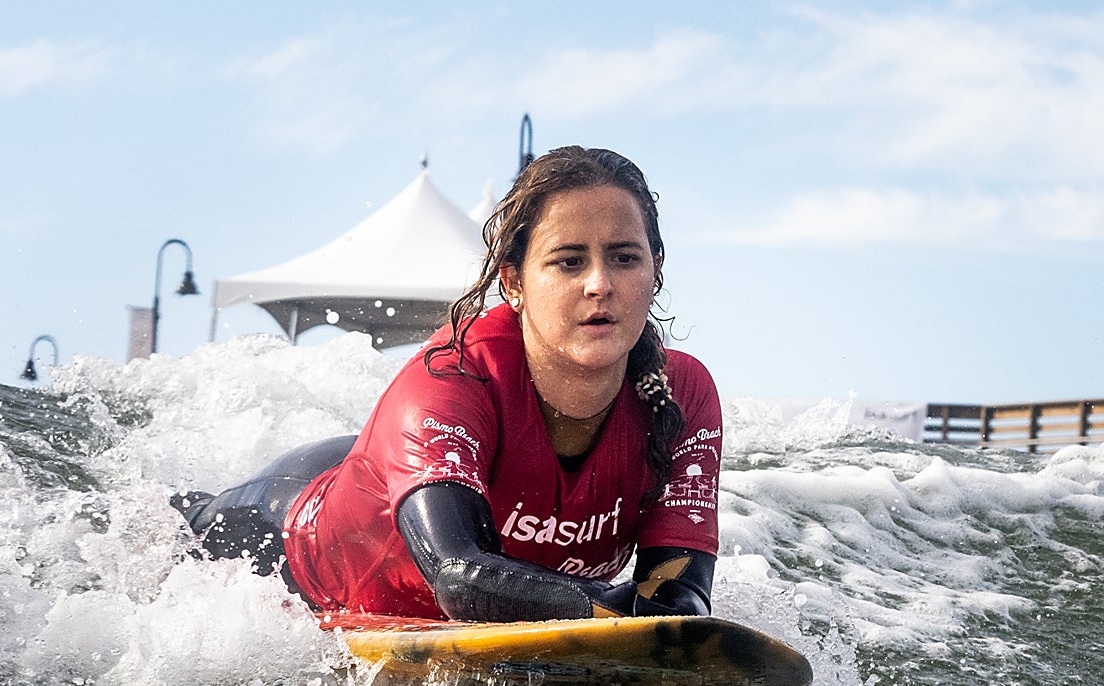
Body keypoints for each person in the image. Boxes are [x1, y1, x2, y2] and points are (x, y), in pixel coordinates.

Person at [174, 146, 723, 622]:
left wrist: (666, 615)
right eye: (568, 262)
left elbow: (677, 596)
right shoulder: (453, 372)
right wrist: (614, 609)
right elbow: (460, 576)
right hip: (288, 537)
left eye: (624, 258)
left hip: (413, 479)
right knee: (169, 537)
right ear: (512, 282)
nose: (600, 284)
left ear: (655, 270)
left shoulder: (682, 392)